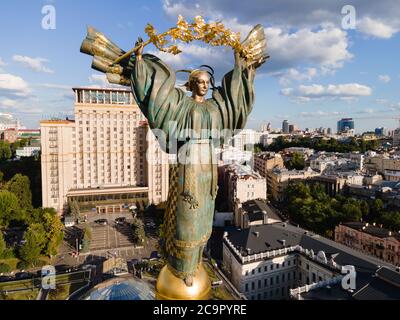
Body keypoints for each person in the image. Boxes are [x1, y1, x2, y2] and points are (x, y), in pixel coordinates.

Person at [129, 36, 266, 286]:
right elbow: (156, 100)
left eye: (207, 83)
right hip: (189, 161)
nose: (204, 86)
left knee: (204, 213)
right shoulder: (181, 106)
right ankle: (183, 266)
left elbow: (236, 103)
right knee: (188, 214)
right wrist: (139, 62)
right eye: (200, 83)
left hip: (208, 166)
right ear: (191, 84)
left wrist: (245, 69)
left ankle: (195, 260)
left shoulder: (214, 108)